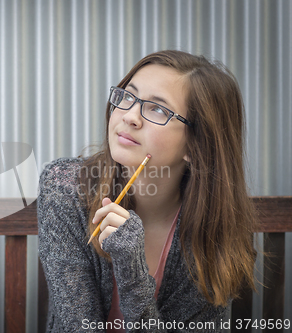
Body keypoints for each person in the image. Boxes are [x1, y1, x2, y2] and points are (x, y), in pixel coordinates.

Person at [37, 50, 257, 332]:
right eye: (128, 96)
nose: (129, 116)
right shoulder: (65, 187)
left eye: (158, 109)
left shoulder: (212, 227)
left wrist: (132, 269)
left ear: (196, 145)